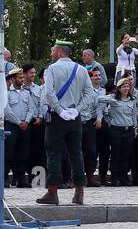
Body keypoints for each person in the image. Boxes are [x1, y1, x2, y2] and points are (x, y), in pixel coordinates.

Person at [35, 40, 94, 205]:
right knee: (76, 154)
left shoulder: (51, 69)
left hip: (56, 118)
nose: (51, 52)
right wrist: (77, 109)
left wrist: (60, 110)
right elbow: (90, 93)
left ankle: (52, 193)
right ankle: (79, 192)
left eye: (53, 50)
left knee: (53, 154)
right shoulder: (81, 70)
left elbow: (49, 92)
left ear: (60, 52)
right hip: (75, 118)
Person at [102, 76, 138, 186]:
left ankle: (123, 177)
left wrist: (135, 128)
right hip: (116, 129)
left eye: (128, 86)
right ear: (119, 88)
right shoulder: (114, 99)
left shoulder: (132, 100)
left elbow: (134, 115)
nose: (126, 89)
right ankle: (114, 177)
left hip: (128, 130)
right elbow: (100, 100)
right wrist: (109, 120)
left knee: (126, 155)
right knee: (115, 154)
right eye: (123, 87)